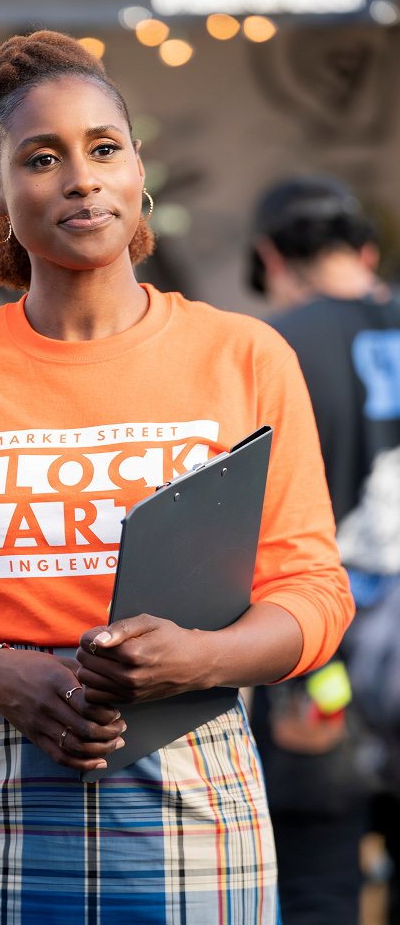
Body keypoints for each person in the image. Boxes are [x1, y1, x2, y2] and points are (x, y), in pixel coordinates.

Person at [0, 31, 353, 925]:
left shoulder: (244, 358)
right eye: (42, 158)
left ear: (135, 167)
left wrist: (202, 657)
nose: (80, 177)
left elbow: (311, 591)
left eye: (103, 148)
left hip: (193, 774)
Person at [247, 174, 400, 924]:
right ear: (365, 250)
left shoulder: (277, 348)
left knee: (317, 883)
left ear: (271, 258)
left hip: (320, 670)